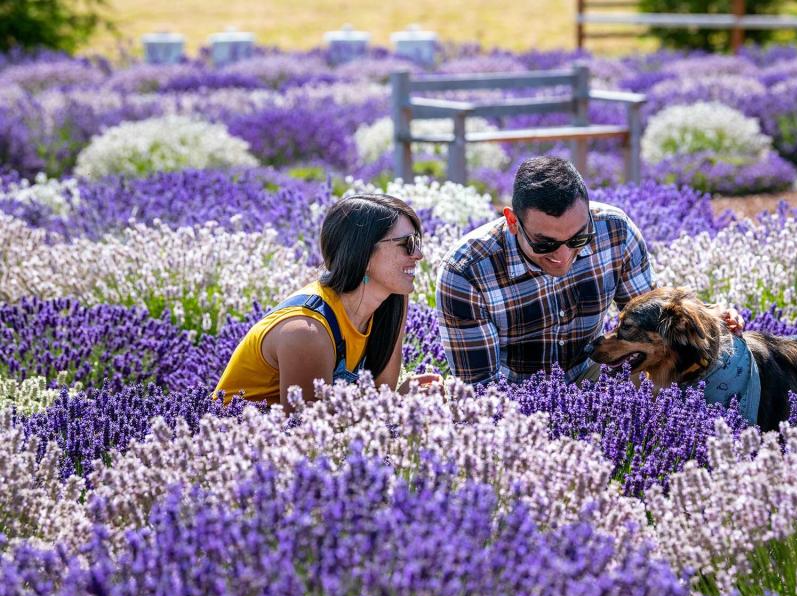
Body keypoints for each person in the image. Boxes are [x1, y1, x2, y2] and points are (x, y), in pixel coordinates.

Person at [436, 156, 741, 386]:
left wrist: (710, 320)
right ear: (513, 222)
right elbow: (480, 391)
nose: (564, 255)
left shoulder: (614, 230)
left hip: (594, 370)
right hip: (514, 396)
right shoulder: (466, 273)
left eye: (578, 239)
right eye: (545, 244)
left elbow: (651, 319)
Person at [215, 193, 440, 411]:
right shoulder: (307, 330)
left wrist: (404, 398)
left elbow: (380, 398)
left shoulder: (390, 304)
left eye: (417, 241)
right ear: (362, 252)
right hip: (229, 442)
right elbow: (308, 433)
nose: (418, 254)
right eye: (407, 244)